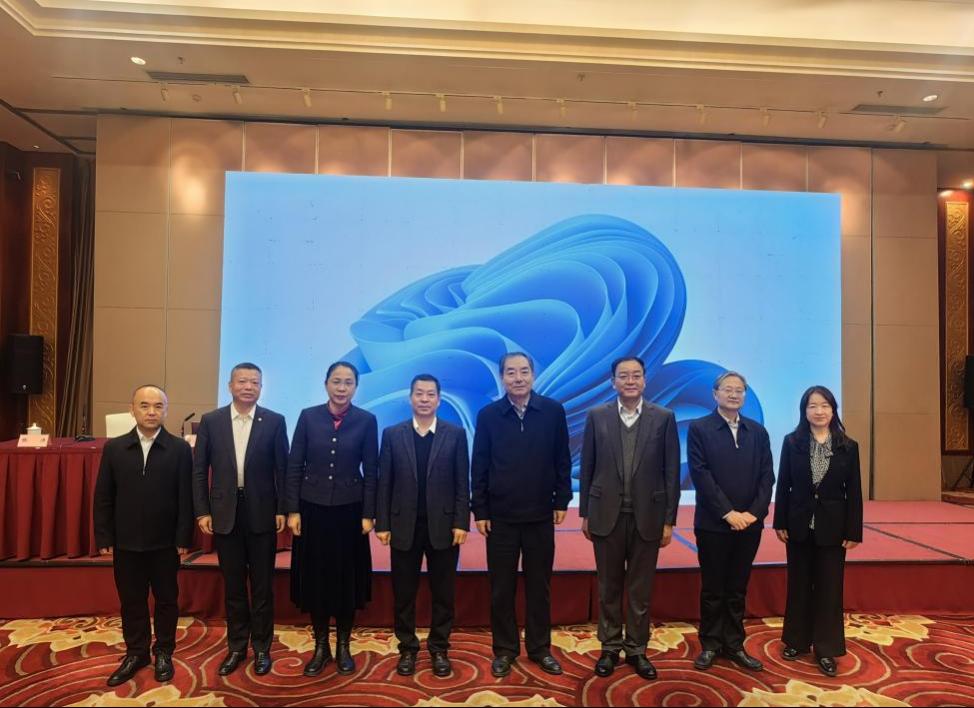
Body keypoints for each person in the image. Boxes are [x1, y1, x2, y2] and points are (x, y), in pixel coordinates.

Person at [472, 351, 573, 678]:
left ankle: (540, 648)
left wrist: (562, 500)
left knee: (539, 587)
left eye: (524, 371)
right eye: (511, 372)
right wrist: (480, 508)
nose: (518, 378)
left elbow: (562, 459)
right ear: (502, 377)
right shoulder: (488, 415)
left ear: (533, 374)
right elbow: (479, 464)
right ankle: (504, 650)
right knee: (501, 588)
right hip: (500, 517)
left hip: (540, 515)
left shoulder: (552, 411)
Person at [579, 356, 681, 681]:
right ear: (613, 382)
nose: (630, 381)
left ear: (645, 380)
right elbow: (587, 467)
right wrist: (585, 513)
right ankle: (609, 647)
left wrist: (669, 520)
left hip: (648, 517)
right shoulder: (597, 416)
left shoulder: (663, 418)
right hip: (605, 515)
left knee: (640, 590)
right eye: (624, 376)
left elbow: (671, 473)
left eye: (636, 375)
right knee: (608, 587)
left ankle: (637, 649)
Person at [192, 363, 289, 676]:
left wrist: (282, 509)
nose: (249, 387)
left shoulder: (274, 421)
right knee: (233, 586)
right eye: (243, 381)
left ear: (261, 387)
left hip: (262, 512)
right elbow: (199, 470)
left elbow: (283, 470)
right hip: (225, 513)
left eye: (255, 382)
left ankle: (261, 648)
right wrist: (202, 510)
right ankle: (236, 647)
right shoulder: (212, 421)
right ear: (230, 385)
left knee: (262, 587)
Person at [93, 384, 193, 687]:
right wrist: (104, 537)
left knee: (166, 600)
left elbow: (186, 498)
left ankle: (164, 651)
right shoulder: (114, 448)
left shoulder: (179, 449)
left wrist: (183, 538)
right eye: (144, 406)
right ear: (132, 409)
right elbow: (103, 496)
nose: (151, 412)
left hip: (165, 543)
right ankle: (136, 653)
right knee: (132, 601)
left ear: (166, 410)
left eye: (158, 406)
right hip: (126, 543)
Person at [285, 361, 378, 677]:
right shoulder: (308, 417)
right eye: (336, 381)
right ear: (326, 384)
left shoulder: (366, 421)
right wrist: (293, 510)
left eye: (348, 382)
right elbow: (294, 465)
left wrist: (369, 513)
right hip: (312, 511)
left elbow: (372, 471)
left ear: (356, 387)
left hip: (350, 513)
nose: (342, 388)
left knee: (345, 581)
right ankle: (321, 646)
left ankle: (344, 646)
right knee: (317, 580)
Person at [375, 374, 470, 678]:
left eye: (430, 394)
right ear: (410, 398)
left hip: (444, 526)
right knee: (404, 593)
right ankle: (407, 648)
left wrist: (461, 522)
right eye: (419, 393)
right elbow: (384, 482)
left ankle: (439, 648)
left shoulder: (455, 434)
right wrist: (383, 523)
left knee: (443, 592)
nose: (425, 399)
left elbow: (462, 482)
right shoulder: (392, 434)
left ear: (439, 400)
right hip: (403, 526)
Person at [773, 385, 863, 677]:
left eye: (824, 405)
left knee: (829, 589)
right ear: (804, 411)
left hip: (833, 528)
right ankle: (796, 641)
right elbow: (784, 484)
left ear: (833, 410)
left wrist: (853, 530)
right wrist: (780, 521)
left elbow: (854, 492)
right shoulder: (792, 442)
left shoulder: (848, 446)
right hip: (798, 525)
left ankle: (826, 648)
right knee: (798, 585)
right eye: (812, 406)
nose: (819, 411)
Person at [688, 371, 774, 672]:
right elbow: (700, 474)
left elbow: (767, 477)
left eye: (739, 390)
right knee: (713, 588)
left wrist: (753, 514)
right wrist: (728, 513)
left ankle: (735, 644)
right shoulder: (699, 428)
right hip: (713, 523)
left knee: (738, 588)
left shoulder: (758, 432)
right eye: (728, 389)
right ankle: (711, 644)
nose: (734, 394)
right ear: (715, 394)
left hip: (749, 524)